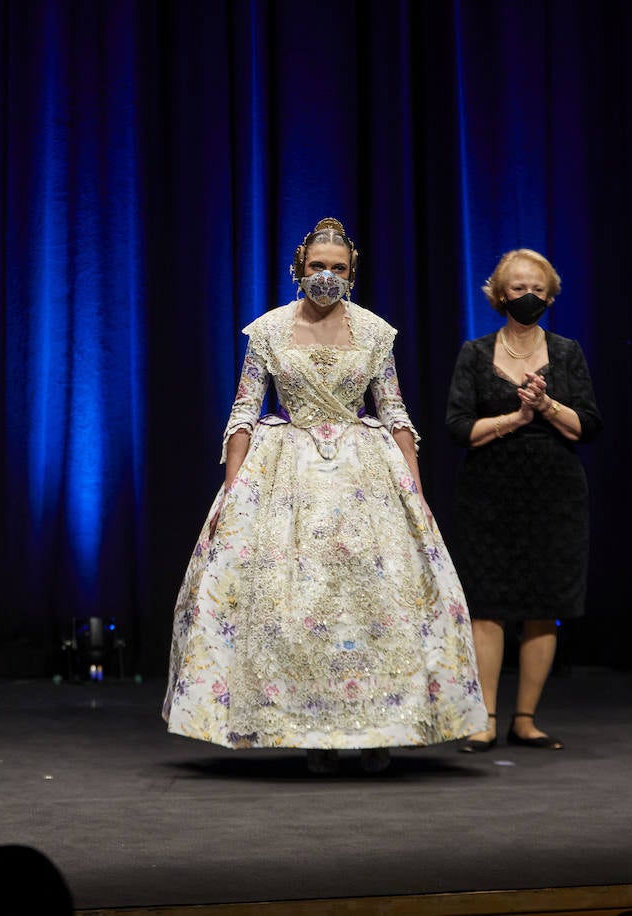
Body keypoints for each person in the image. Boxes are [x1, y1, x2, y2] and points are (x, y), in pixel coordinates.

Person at [163, 218, 487, 774]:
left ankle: (380, 731)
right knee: (294, 603)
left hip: (365, 475)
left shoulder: (374, 332)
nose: (327, 278)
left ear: (352, 275)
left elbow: (394, 410)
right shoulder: (267, 330)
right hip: (286, 472)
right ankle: (312, 730)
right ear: (298, 269)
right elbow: (244, 410)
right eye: (318, 267)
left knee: (371, 604)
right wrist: (234, 489)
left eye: (339, 269)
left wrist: (415, 487)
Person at [444, 249, 601, 753]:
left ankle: (526, 719)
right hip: (489, 494)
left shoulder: (568, 352)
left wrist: (546, 405)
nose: (528, 296)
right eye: (518, 288)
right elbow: (459, 428)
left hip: (554, 494)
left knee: (544, 606)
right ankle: (484, 718)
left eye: (537, 289)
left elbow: (589, 426)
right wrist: (514, 418)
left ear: (550, 295)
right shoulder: (474, 353)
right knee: (486, 607)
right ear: (499, 295)